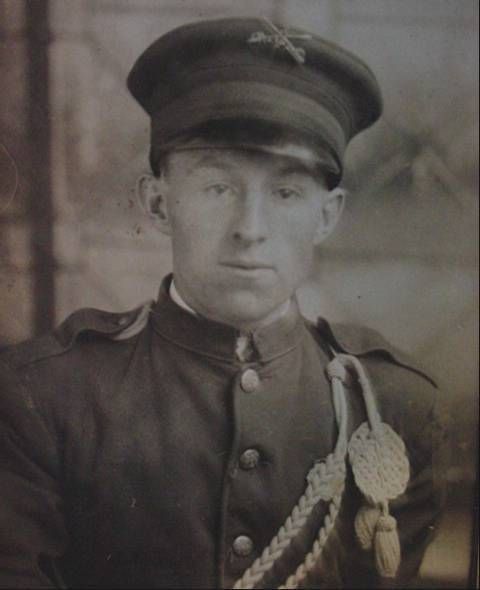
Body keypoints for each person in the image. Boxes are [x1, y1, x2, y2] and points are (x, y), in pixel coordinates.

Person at [0, 17, 448, 589]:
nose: (250, 229)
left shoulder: (389, 409)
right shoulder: (44, 400)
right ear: (157, 203)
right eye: (218, 188)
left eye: (286, 192)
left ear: (327, 215)